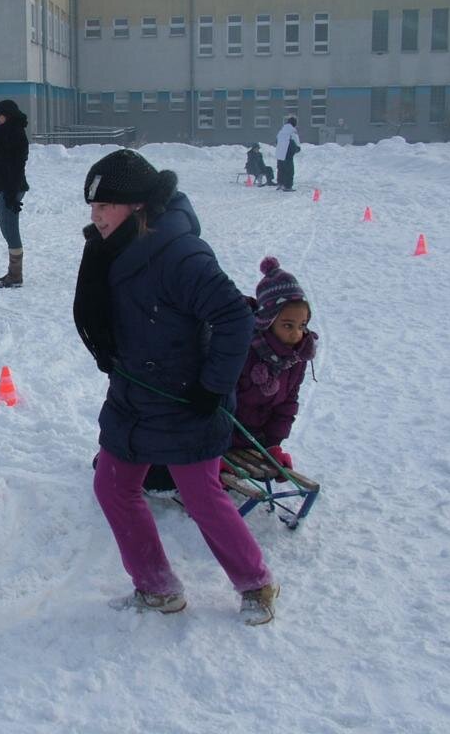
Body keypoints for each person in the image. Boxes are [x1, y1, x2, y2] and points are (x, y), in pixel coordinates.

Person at [73, 148, 279, 625]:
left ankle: (257, 584)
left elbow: (234, 317)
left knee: (201, 495)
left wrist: (212, 387)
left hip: (185, 396)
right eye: (93, 206)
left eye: (105, 206)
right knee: (112, 486)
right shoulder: (112, 246)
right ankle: (157, 587)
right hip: (133, 392)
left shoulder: (179, 253)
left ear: (138, 206)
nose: (96, 216)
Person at [232, 257, 317, 471]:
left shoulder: (295, 359)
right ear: (267, 321)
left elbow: (287, 405)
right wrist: (216, 448)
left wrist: (273, 444)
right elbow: (222, 402)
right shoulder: (244, 350)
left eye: (302, 325)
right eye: (288, 325)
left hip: (257, 439)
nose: (297, 334)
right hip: (221, 437)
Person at [0, 99, 30, 288]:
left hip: (12, 187)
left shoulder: (14, 134)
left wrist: (11, 193)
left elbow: (16, 165)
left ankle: (15, 275)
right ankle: (13, 273)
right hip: (7, 186)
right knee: (6, 228)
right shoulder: (5, 131)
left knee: (10, 229)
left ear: (7, 115)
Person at [275, 116, 300, 192]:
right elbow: (296, 144)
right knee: (289, 171)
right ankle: (288, 186)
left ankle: (280, 183)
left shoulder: (281, 131)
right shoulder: (292, 132)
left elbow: (276, 141)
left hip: (279, 154)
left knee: (281, 170)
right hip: (288, 155)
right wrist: (297, 149)